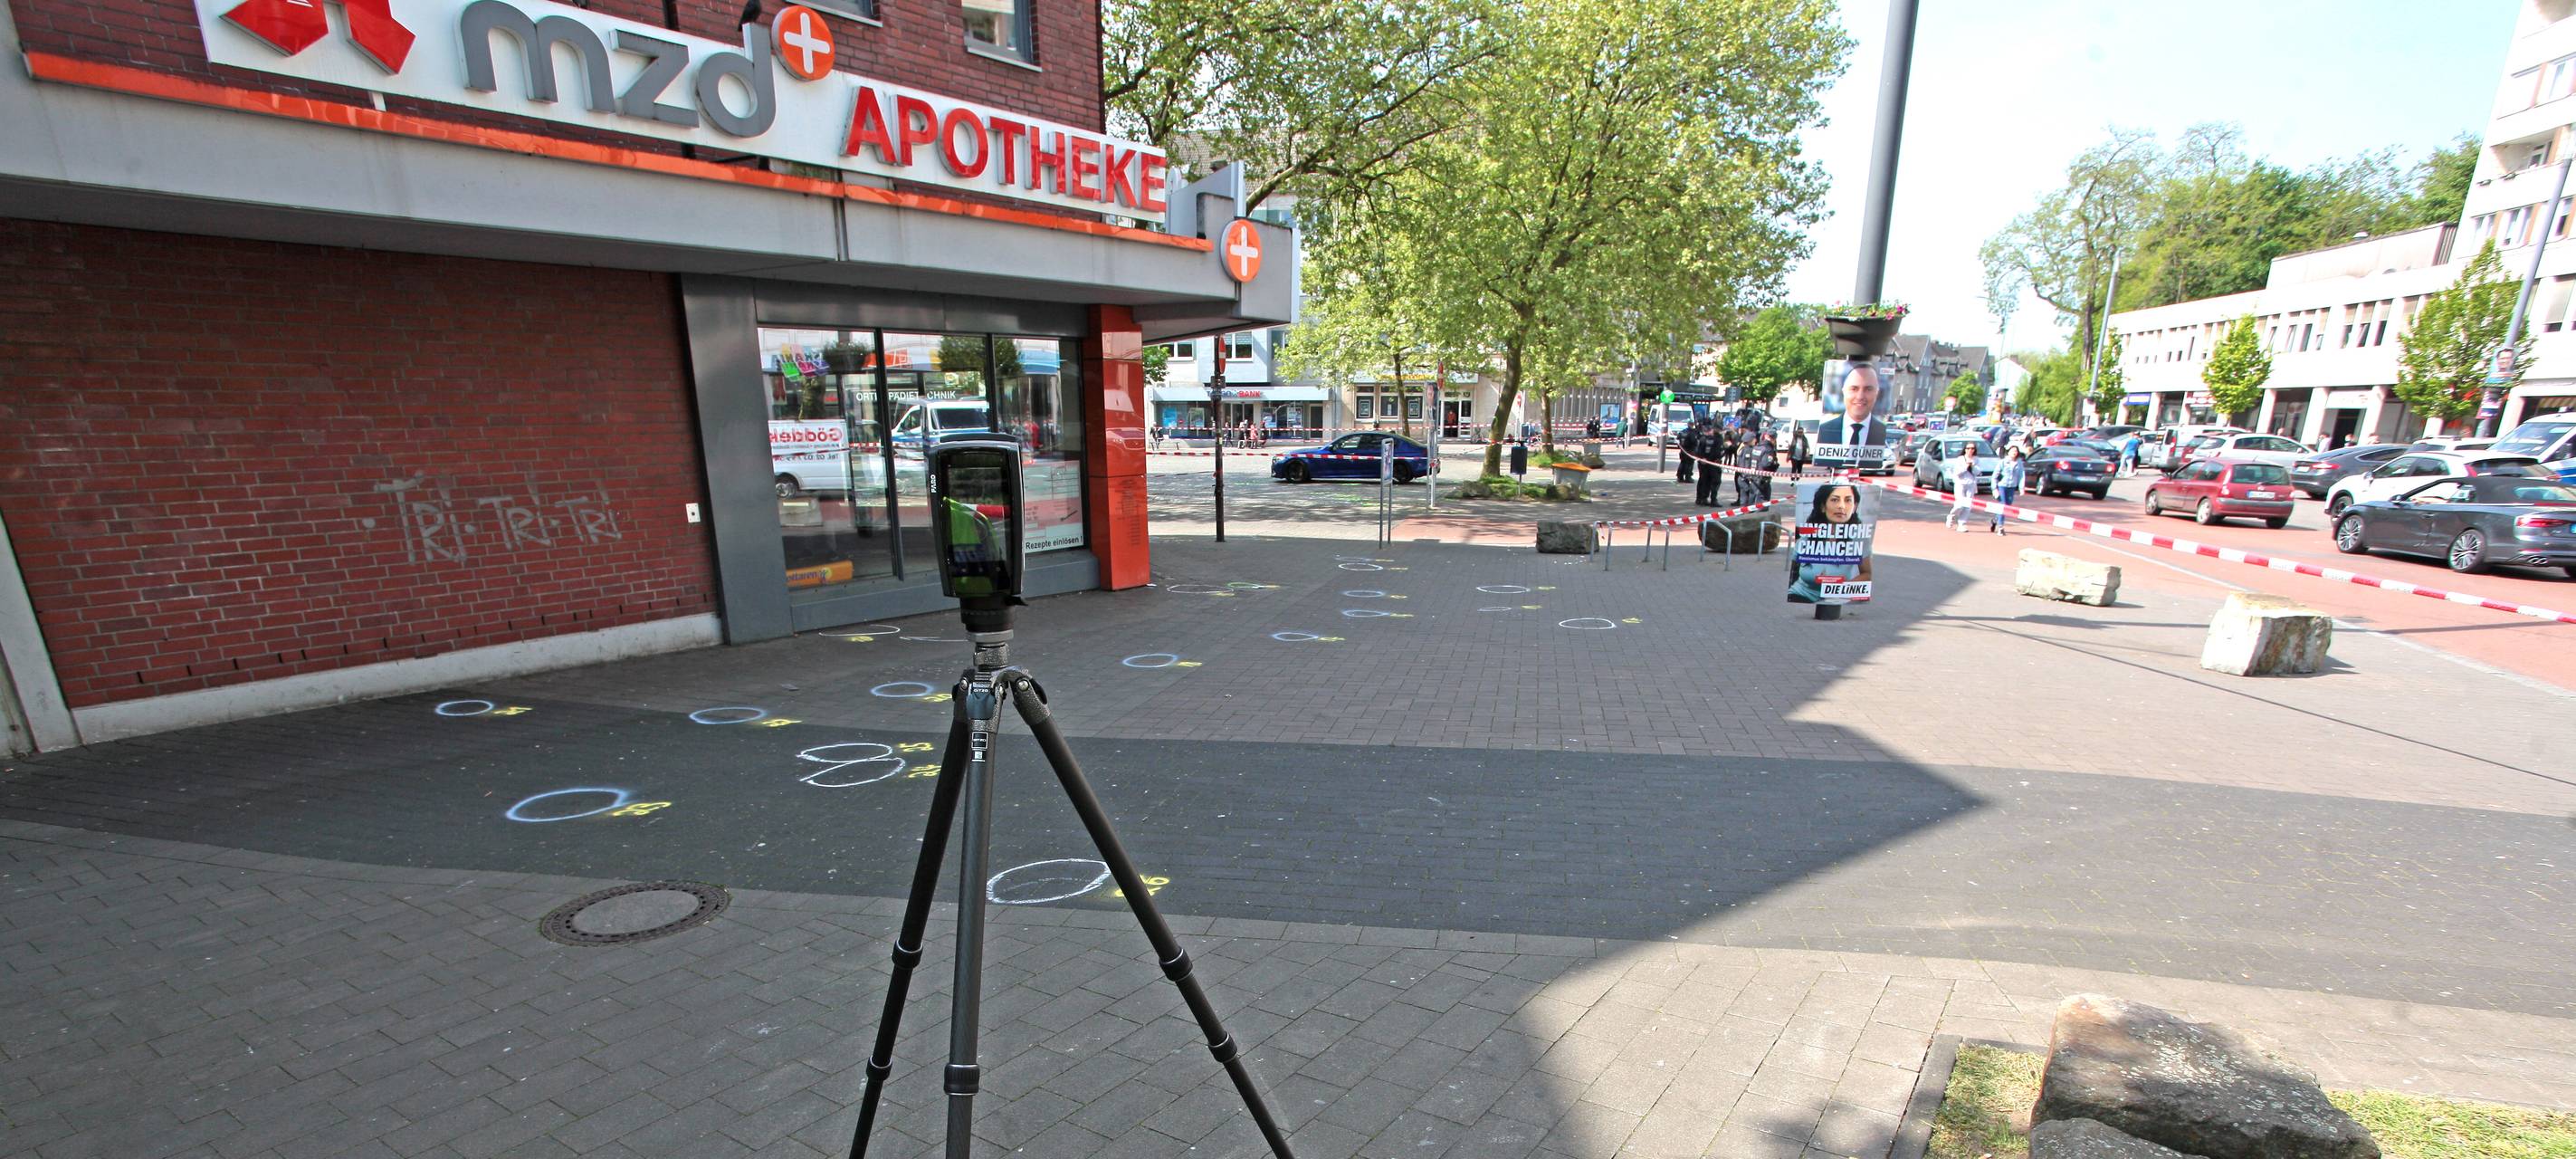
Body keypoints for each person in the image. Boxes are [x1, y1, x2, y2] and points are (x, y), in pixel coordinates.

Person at [1788, 482, 1872, 603]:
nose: (1841, 506)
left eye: (1848, 500)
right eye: (1834, 500)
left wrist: (1840, 591)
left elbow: (1867, 574)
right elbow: (1794, 568)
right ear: (1823, 506)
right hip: (1801, 594)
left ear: (1855, 507)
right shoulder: (1808, 535)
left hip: (1836, 598)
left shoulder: (1859, 538)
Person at [1816, 364, 1893, 470]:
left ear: (1877, 393)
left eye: (1868, 389)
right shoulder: (1825, 429)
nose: (1860, 396)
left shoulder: (1881, 431)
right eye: (1854, 389)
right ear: (1844, 391)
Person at [1944, 439, 1980, 532]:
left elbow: (1978, 472)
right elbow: (1957, 473)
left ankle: (1962, 524)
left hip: (1971, 484)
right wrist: (1966, 466)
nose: (1970, 450)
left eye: (1972, 448)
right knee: (1959, 504)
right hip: (1960, 484)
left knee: (1967, 506)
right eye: (1968, 448)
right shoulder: (1960, 459)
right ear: (1965, 449)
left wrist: (1972, 466)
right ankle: (1951, 515)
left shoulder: (1976, 459)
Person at [1991, 446, 2026, 534]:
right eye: (2012, 450)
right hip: (2002, 485)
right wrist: (1994, 488)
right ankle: (2001, 527)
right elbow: (1995, 475)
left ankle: (1995, 519)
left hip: (2012, 486)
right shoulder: (2003, 462)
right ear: (2008, 452)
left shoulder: (2019, 463)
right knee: (2003, 505)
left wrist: (2021, 488)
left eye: (2016, 451)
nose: (2014, 452)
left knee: (2008, 506)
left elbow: (2021, 475)